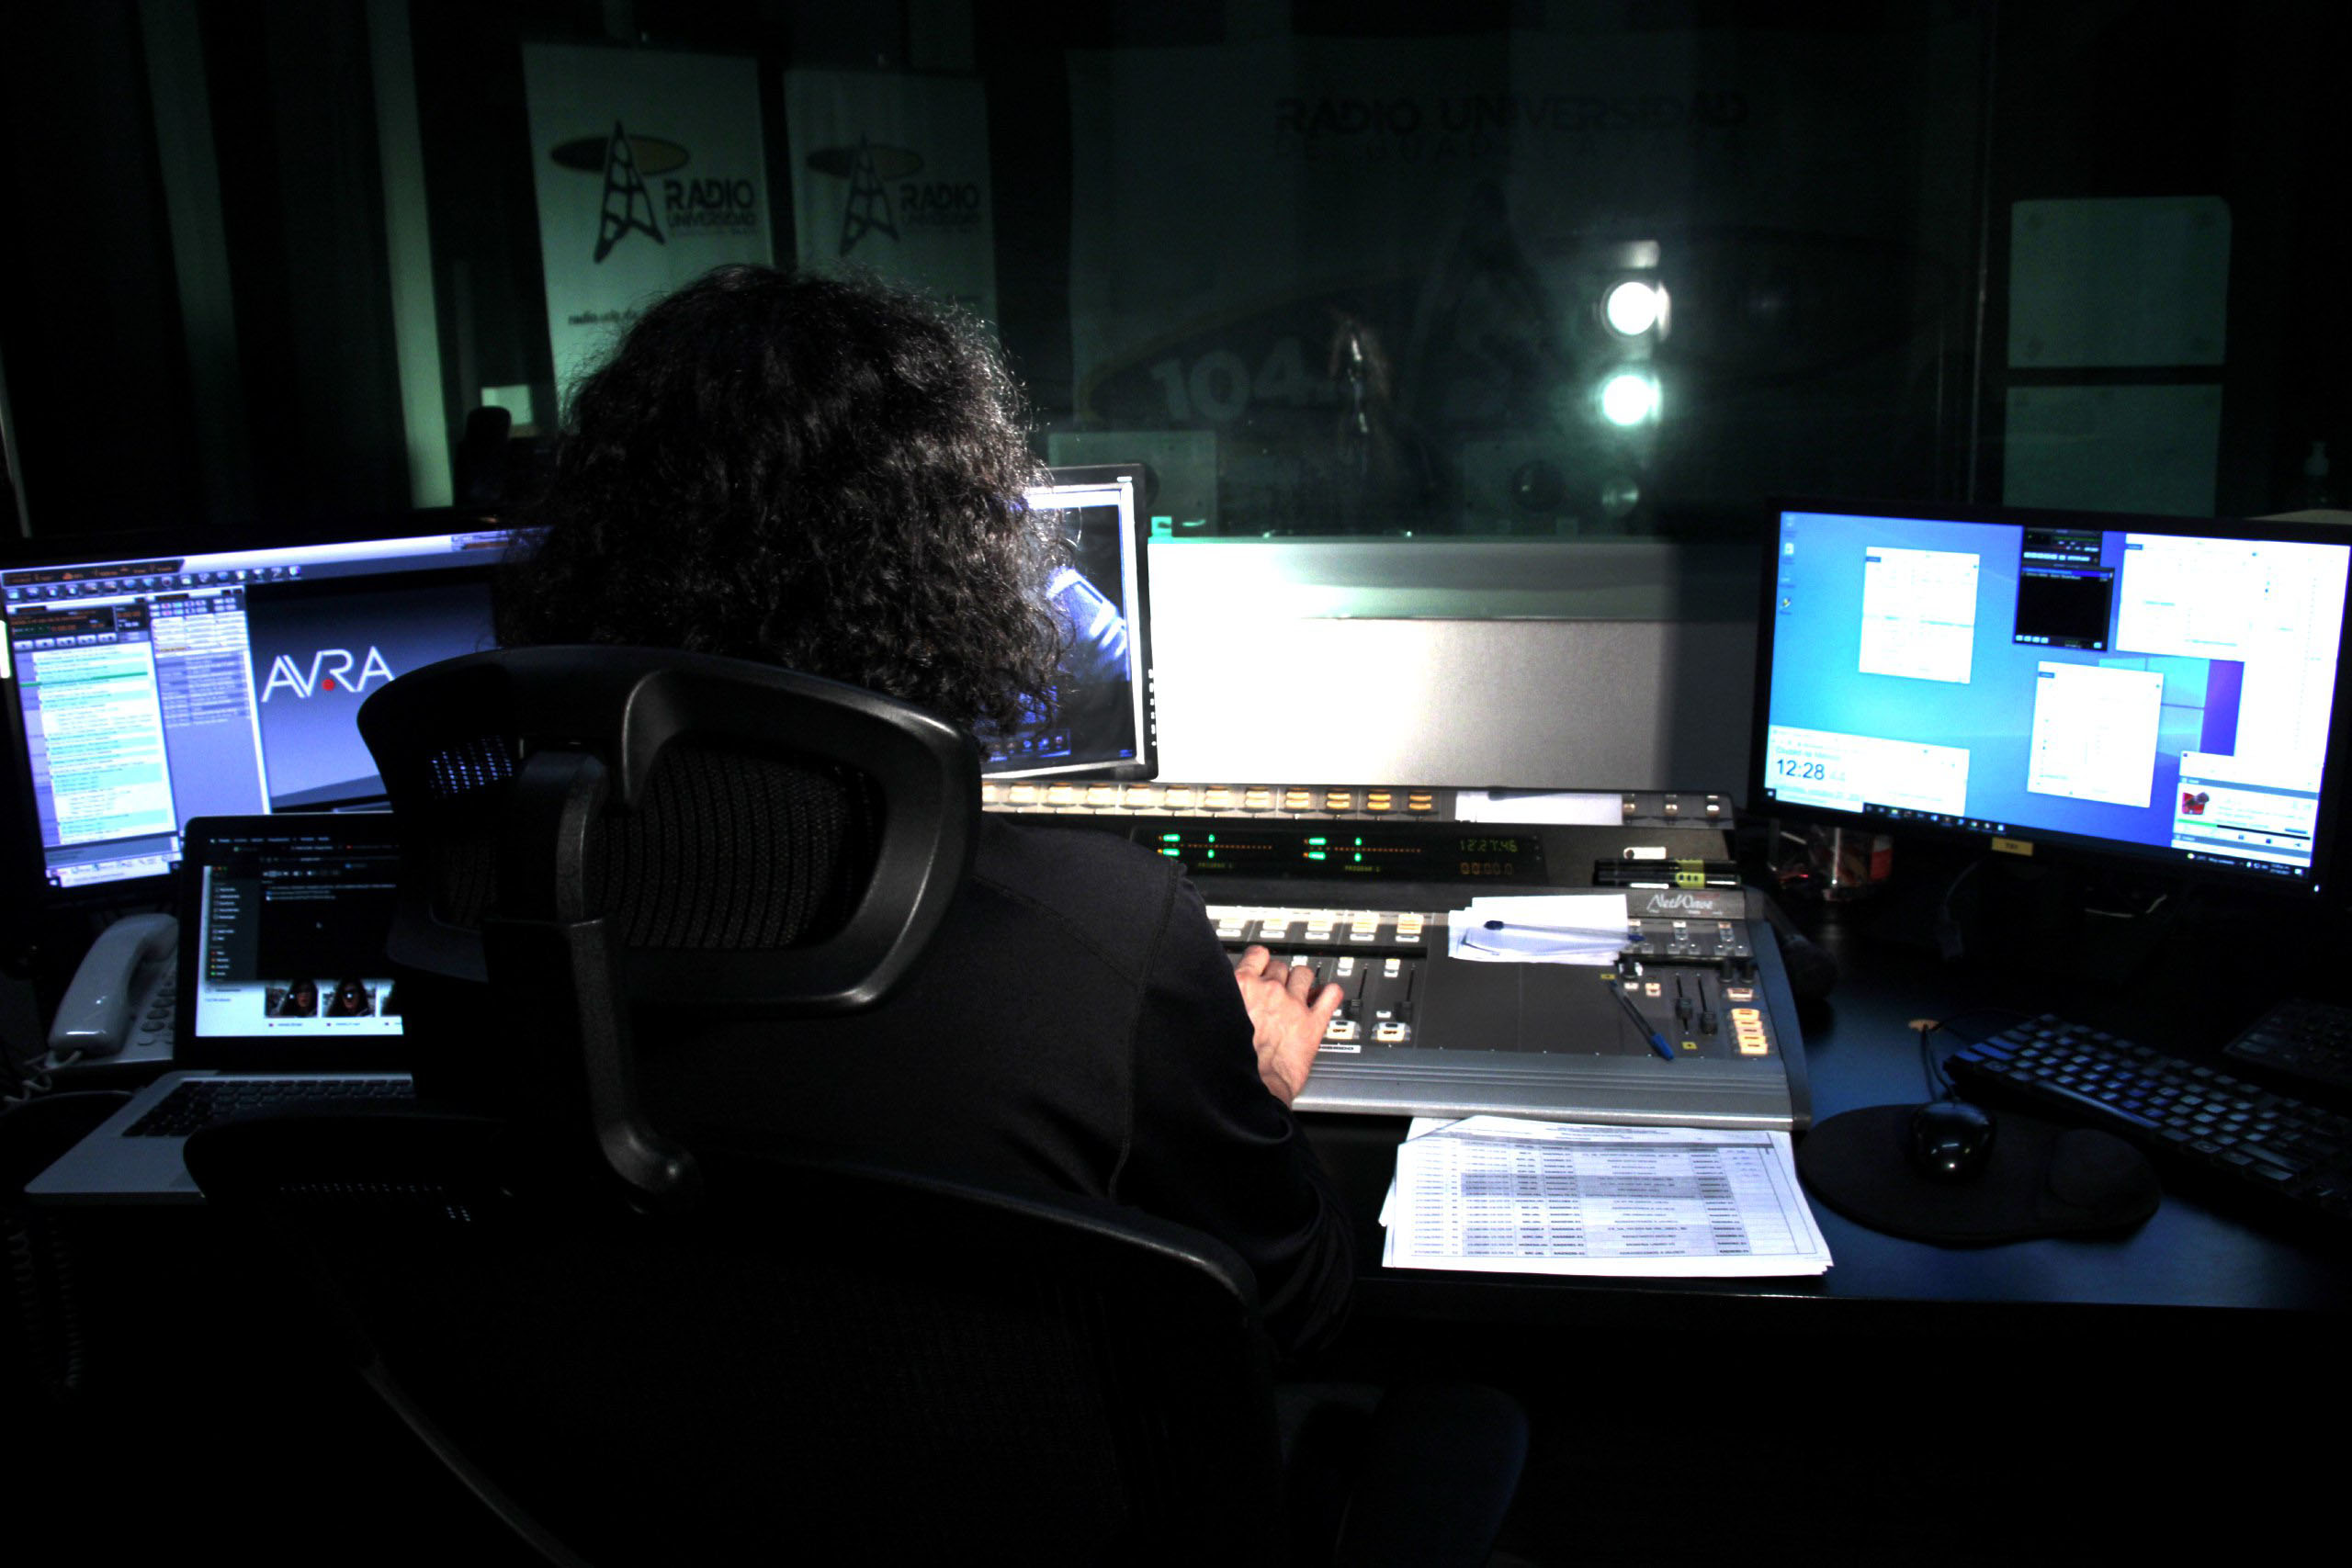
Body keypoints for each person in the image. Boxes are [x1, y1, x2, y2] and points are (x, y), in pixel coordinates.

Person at [492, 265, 1353, 1353]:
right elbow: (1287, 1299)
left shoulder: (489, 899)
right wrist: (1256, 1087)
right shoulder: (1103, 930)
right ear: (951, 566)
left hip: (607, 1455)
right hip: (1005, 1467)